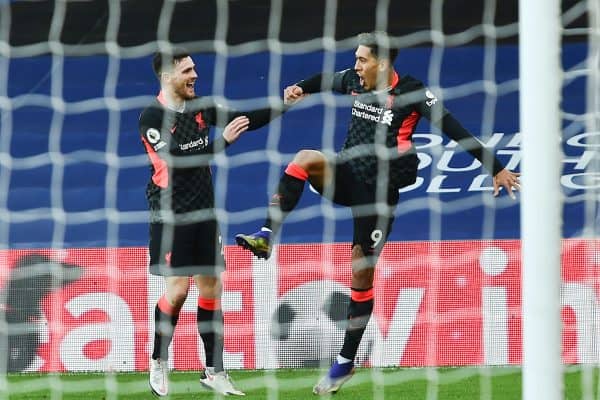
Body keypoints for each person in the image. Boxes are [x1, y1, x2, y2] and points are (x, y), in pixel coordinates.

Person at [235, 32, 521, 395]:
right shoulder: (355, 81)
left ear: (382, 64)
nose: (356, 66)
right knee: (304, 158)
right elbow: (326, 80)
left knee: (360, 273)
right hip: (346, 175)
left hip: (380, 196)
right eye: (355, 59)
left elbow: (455, 131)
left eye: (362, 60)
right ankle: (266, 234)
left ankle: (345, 362)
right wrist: (299, 88)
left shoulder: (413, 92)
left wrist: (494, 167)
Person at [139, 48, 284, 397]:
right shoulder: (152, 117)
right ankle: (158, 360)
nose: (195, 76)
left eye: (194, 69)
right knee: (178, 291)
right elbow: (176, 161)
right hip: (171, 216)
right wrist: (223, 142)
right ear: (167, 76)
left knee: (211, 289)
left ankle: (214, 370)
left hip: (205, 212)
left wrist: (285, 101)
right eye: (187, 70)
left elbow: (243, 119)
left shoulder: (201, 107)